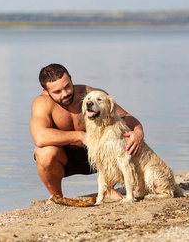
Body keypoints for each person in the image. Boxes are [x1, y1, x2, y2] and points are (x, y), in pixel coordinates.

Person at [30, 63, 145, 201]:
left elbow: (126, 118)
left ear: (71, 78)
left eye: (67, 86)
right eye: (57, 92)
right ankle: (57, 197)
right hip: (65, 159)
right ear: (45, 90)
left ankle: (108, 189)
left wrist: (138, 132)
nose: (65, 94)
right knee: (44, 153)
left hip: (99, 155)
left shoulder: (91, 95)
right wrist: (79, 136)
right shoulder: (42, 103)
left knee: (121, 137)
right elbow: (39, 137)